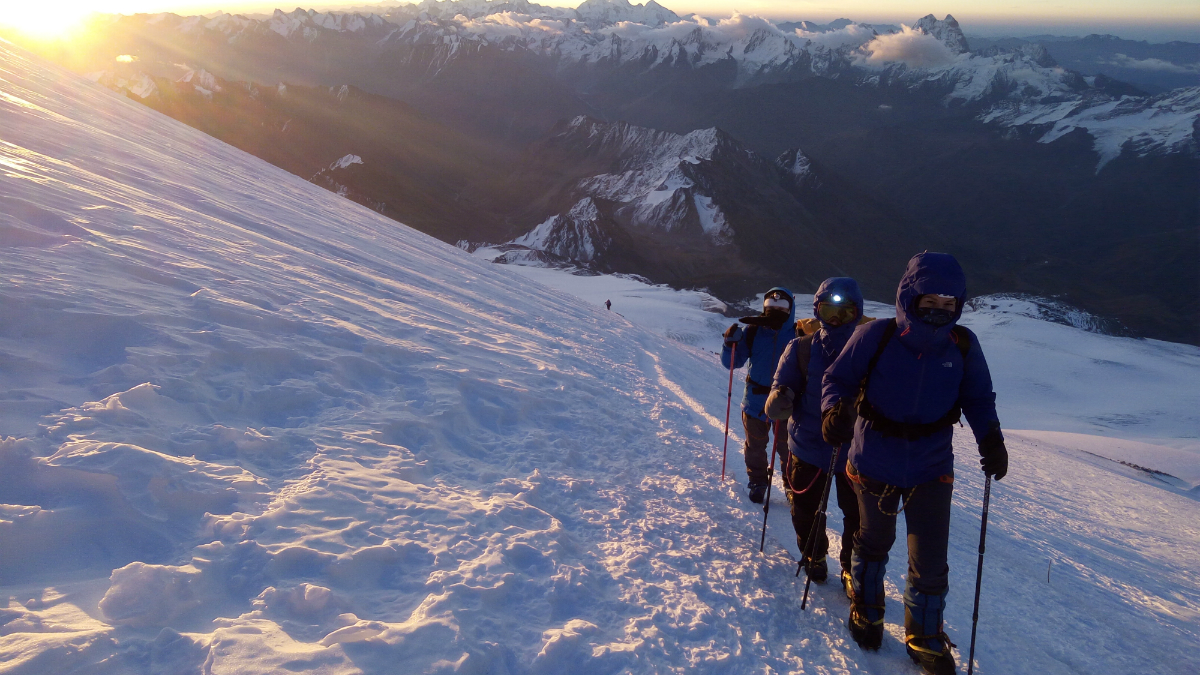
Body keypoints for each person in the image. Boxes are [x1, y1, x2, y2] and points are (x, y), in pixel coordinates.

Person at [821, 253, 1008, 675]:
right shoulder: (876, 336)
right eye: (931, 301)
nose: (939, 311)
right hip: (874, 459)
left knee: (930, 559)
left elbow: (978, 398)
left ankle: (923, 636)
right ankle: (866, 610)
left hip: (931, 465)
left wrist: (991, 439)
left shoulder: (962, 345)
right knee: (873, 541)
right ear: (910, 296)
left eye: (949, 304)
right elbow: (838, 378)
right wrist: (835, 411)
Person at [765, 278, 866, 588]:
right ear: (817, 311)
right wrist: (780, 397)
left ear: (857, 313)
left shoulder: (868, 351)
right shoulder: (802, 348)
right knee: (807, 511)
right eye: (828, 311)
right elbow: (779, 389)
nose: (835, 320)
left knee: (858, 518)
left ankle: (847, 566)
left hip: (851, 452)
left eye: (844, 313)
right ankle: (816, 556)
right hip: (812, 447)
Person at [721, 287, 796, 503]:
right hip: (756, 400)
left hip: (785, 403)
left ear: (789, 309)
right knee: (755, 445)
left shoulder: (797, 334)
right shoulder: (753, 332)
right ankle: (758, 482)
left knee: (787, 448)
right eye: (771, 307)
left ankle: (790, 486)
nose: (775, 311)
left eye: (781, 307)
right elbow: (731, 363)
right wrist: (729, 345)